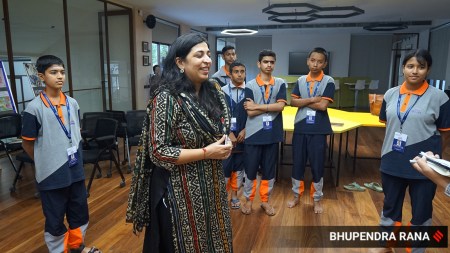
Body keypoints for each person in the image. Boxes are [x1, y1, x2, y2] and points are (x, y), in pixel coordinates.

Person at [126, 33, 233, 252]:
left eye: (209, 55)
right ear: (180, 62)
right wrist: (207, 152)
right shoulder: (167, 97)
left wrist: (226, 143)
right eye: (199, 55)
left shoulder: (213, 91)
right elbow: (158, 152)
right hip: (178, 191)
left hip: (212, 186)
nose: (207, 60)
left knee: (213, 239)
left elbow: (221, 130)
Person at [21, 55, 100, 253]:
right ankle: (58, 251)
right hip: (51, 174)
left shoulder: (72, 103)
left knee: (79, 212)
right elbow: (27, 144)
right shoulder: (34, 108)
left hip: (74, 170)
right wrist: (43, 161)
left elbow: (75, 134)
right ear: (41, 76)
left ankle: (76, 248)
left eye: (62, 72)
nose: (60, 77)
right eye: (53, 72)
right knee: (55, 217)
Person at [373, 49, 450, 252]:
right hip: (391, 161)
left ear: (428, 70)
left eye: (421, 67)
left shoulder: (439, 98)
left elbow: (445, 133)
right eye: (410, 66)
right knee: (390, 207)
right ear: (403, 68)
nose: (415, 71)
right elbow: (387, 124)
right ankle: (385, 244)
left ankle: (416, 249)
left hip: (423, 166)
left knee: (422, 211)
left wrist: (433, 161)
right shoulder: (390, 94)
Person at [287, 47, 335, 214]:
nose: (315, 64)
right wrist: (312, 99)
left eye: (320, 61)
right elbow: (292, 102)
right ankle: (296, 195)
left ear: (325, 63)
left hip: (319, 129)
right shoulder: (301, 80)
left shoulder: (329, 81)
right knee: (298, 163)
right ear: (308, 61)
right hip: (300, 127)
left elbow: (322, 106)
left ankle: (317, 199)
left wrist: (303, 101)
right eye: (313, 60)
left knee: (317, 165)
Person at [241, 49, 287, 216]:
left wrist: (258, 106)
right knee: (250, 170)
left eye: (272, 62)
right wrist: (271, 107)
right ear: (259, 64)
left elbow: (281, 106)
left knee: (269, 170)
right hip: (253, 135)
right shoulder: (250, 85)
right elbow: (250, 112)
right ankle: (248, 200)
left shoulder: (280, 83)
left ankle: (265, 201)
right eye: (266, 62)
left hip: (272, 134)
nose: (269, 65)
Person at [221, 61, 247, 209]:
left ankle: (235, 196)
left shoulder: (249, 91)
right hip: (226, 137)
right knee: (225, 167)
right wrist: (228, 132)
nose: (239, 74)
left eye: (242, 71)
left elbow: (253, 115)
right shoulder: (221, 91)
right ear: (230, 74)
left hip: (243, 137)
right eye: (236, 71)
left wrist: (245, 130)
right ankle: (223, 197)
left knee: (239, 168)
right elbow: (217, 115)